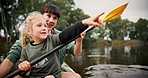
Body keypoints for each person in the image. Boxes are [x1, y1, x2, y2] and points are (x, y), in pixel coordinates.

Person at [0, 3, 84, 78]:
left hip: (54, 72)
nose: (51, 20)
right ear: (41, 16)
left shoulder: (59, 37)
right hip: (33, 73)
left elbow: (75, 52)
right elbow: (11, 59)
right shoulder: (25, 41)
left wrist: (79, 40)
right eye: (48, 15)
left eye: (55, 18)